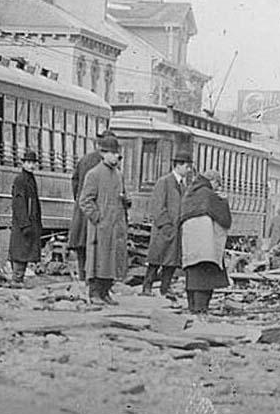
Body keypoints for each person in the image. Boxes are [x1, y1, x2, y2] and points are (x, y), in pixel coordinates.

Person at [77, 134, 129, 304]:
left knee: (111, 260)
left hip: (115, 225)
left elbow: (122, 196)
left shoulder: (118, 175)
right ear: (103, 153)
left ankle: (106, 291)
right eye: (113, 154)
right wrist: (97, 217)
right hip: (100, 226)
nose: (116, 157)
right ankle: (94, 293)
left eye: (118, 155)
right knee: (97, 259)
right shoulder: (94, 174)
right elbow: (85, 200)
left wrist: (126, 202)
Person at [141, 146, 193, 298]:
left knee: (172, 261)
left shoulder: (184, 186)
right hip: (163, 229)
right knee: (156, 259)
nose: (188, 170)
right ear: (178, 165)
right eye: (186, 166)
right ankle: (147, 286)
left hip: (176, 229)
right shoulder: (164, 182)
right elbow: (157, 206)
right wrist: (166, 225)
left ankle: (165, 287)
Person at [179, 169, 231, 314]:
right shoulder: (209, 194)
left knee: (192, 275)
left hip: (190, 243)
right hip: (206, 243)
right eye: (218, 185)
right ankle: (202, 309)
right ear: (212, 181)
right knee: (206, 277)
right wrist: (224, 201)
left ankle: (192, 308)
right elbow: (224, 220)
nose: (218, 188)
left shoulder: (190, 193)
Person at [68, 129, 114, 279]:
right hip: (97, 213)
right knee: (96, 250)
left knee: (82, 249)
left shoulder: (84, 159)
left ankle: (83, 277)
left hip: (82, 211)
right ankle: (93, 281)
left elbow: (74, 181)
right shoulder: (106, 164)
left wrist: (79, 200)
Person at [9, 148, 43, 286]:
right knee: (20, 250)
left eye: (33, 162)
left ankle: (19, 278)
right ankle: (16, 279)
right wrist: (24, 223)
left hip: (29, 221)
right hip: (23, 222)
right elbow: (19, 203)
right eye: (28, 162)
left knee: (24, 249)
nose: (31, 165)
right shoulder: (20, 180)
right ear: (23, 163)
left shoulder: (30, 179)